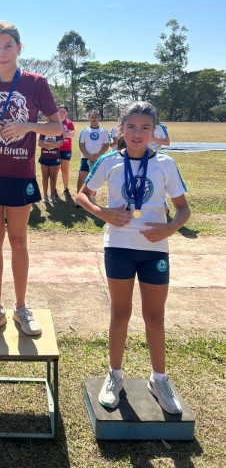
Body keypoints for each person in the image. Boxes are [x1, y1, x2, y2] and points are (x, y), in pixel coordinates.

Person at [76, 101, 190, 415]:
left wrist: (169, 228)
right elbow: (83, 194)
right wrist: (102, 213)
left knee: (155, 317)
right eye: (131, 127)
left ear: (155, 131)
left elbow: (183, 209)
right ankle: (115, 376)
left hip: (155, 250)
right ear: (120, 129)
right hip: (119, 247)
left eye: (145, 128)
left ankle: (159, 379)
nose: (138, 134)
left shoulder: (165, 163)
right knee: (120, 313)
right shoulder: (110, 160)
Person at [0, 20, 62, 339]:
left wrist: (28, 126)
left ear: (19, 48)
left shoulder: (36, 83)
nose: (2, 52)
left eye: (8, 46)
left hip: (20, 173)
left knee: (19, 240)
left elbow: (57, 127)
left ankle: (21, 308)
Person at [74, 110, 110, 206]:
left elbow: (106, 145)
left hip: (98, 159)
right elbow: (81, 145)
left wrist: (97, 156)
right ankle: (79, 199)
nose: (94, 118)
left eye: (96, 116)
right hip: (85, 158)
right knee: (81, 178)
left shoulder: (103, 131)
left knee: (95, 180)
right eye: (91, 116)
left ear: (99, 118)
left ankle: (92, 198)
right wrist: (88, 156)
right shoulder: (84, 130)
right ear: (89, 118)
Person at [38, 128, 63, 202]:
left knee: (53, 178)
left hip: (55, 157)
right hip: (44, 157)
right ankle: (45, 196)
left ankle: (52, 195)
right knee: (45, 177)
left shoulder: (58, 130)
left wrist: (46, 143)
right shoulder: (43, 130)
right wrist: (53, 144)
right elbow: (40, 144)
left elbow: (60, 144)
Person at [58, 105, 75, 197]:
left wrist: (60, 133)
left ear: (66, 113)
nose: (62, 113)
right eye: (60, 111)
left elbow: (72, 134)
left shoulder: (69, 123)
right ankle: (53, 189)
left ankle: (66, 189)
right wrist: (66, 133)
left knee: (64, 170)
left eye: (64, 111)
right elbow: (53, 134)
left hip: (66, 149)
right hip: (56, 149)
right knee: (55, 170)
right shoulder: (55, 123)